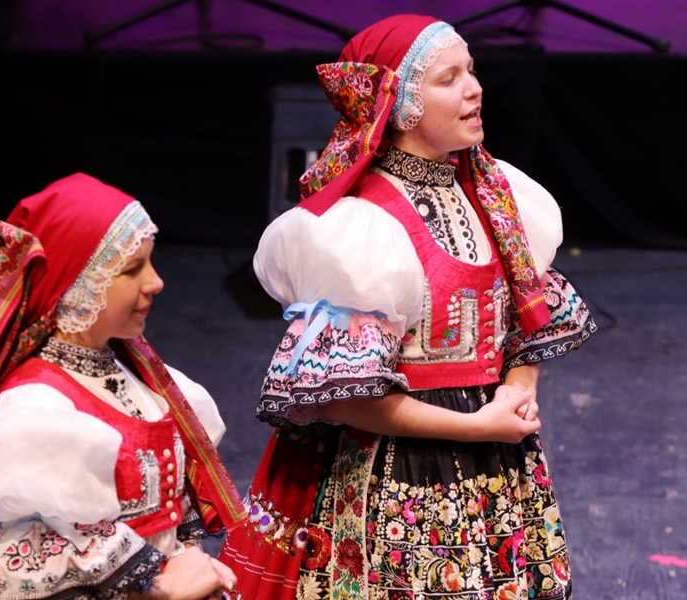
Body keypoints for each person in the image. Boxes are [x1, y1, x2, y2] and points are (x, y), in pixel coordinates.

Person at [217, 14, 597, 600]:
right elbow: (347, 401)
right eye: (449, 78)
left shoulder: (499, 194)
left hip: (494, 451)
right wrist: (472, 427)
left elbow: (529, 319)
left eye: (472, 71)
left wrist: (517, 393)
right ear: (398, 105)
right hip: (399, 469)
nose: (474, 88)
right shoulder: (358, 228)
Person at [0, 173, 245, 600]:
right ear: (78, 287)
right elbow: (26, 551)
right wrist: (157, 582)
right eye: (133, 269)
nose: (155, 282)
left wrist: (188, 557)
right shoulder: (38, 407)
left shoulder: (147, 380)